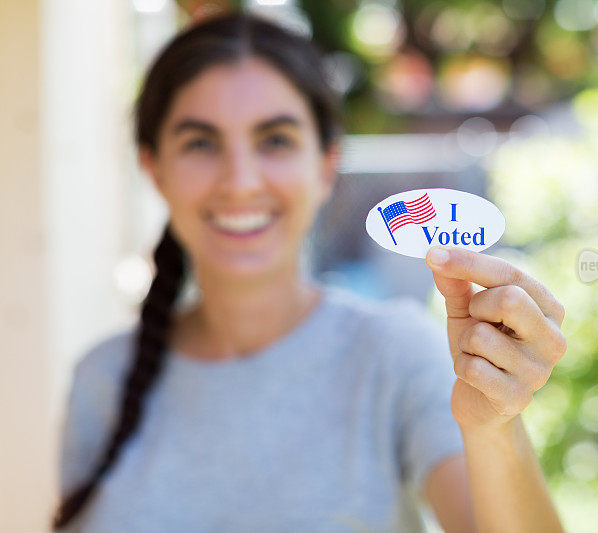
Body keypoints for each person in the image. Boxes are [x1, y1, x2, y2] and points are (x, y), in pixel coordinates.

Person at [52, 11, 567, 533]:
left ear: (325, 166)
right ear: (154, 169)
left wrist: (495, 429)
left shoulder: (393, 354)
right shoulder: (102, 379)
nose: (240, 182)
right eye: (201, 143)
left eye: (275, 140)